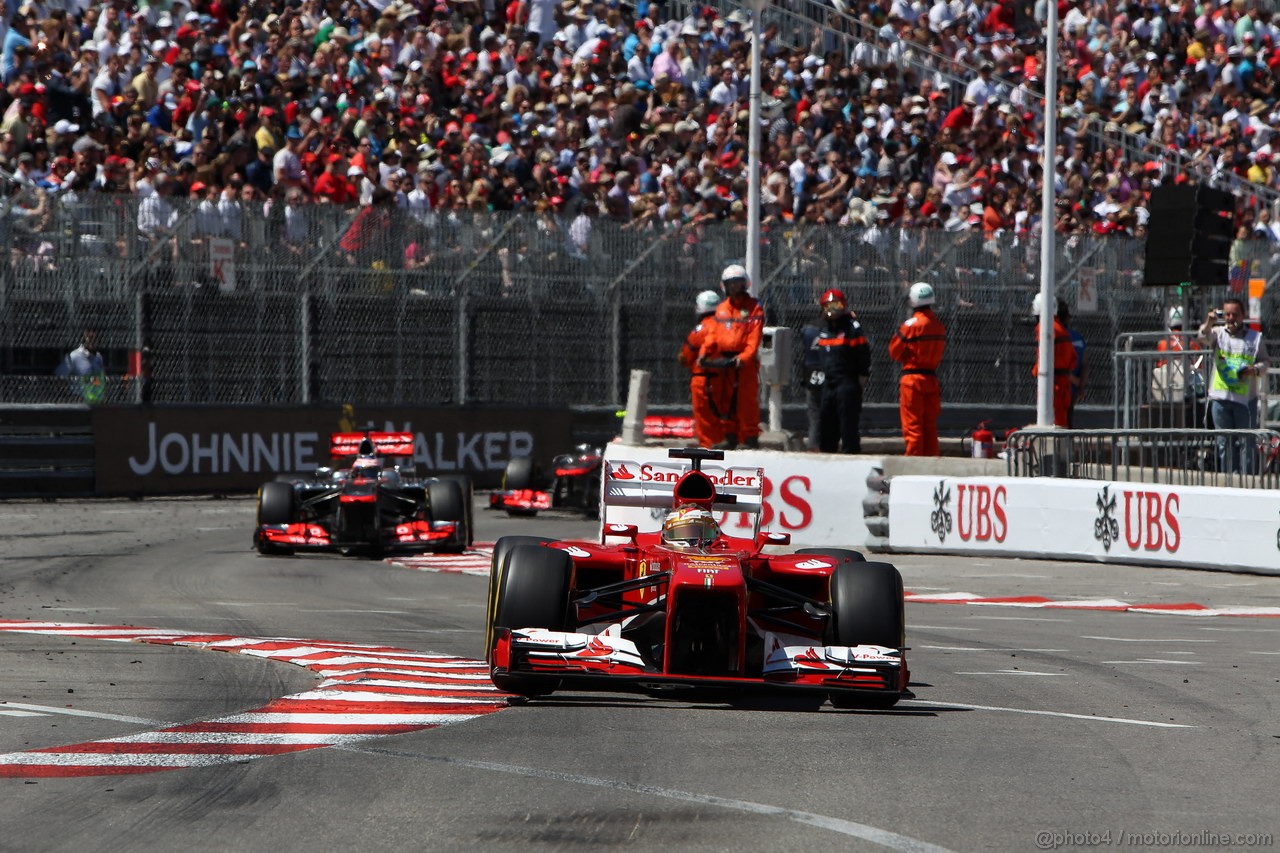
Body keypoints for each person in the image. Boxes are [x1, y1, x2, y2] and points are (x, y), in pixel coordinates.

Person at [1197, 298, 1269, 474]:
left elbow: (1265, 362)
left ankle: (1246, 481)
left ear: (1242, 315)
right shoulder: (1217, 333)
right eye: (1227, 314)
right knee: (1224, 443)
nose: (1230, 318)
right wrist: (1210, 321)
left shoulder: (1255, 338)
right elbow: (1202, 336)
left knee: (1247, 442)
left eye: (1234, 314)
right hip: (1220, 399)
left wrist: (1255, 369)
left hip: (1245, 400)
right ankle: (1230, 480)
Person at [698, 264, 764, 449]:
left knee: (746, 401)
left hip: (744, 363)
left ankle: (750, 437)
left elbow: (754, 338)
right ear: (724, 286)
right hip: (724, 361)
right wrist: (705, 353)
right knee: (726, 399)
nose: (735, 287)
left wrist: (743, 358)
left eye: (738, 283)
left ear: (745, 284)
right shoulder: (721, 309)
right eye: (731, 283)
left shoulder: (754, 308)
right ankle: (730, 436)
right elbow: (713, 335)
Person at [888, 282, 946, 456]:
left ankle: (912, 467)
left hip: (912, 380)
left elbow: (894, 351)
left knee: (913, 427)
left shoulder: (910, 326)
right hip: (931, 380)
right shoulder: (938, 325)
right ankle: (930, 465)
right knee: (929, 426)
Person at [811, 288, 871, 453]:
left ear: (843, 306)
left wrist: (862, 375)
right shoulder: (823, 329)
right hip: (828, 383)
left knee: (848, 427)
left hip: (847, 383)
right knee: (827, 427)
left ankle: (850, 458)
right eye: (828, 307)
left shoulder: (852, 328)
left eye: (836, 306)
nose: (832, 311)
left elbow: (863, 355)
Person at [680, 289, 729, 448]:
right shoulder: (728, 327)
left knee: (705, 422)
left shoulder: (700, 330)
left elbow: (686, 357)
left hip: (704, 381)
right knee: (723, 417)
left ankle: (708, 454)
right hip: (727, 379)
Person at [1031, 294, 1077, 428]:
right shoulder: (1061, 329)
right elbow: (1072, 358)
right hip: (1063, 385)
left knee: (1055, 427)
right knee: (1063, 425)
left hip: (1053, 386)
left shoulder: (1046, 328)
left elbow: (1042, 359)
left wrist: (1036, 371)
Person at [1058, 301, 1087, 428]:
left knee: (1059, 420)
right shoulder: (1078, 338)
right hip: (1072, 386)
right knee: (1067, 419)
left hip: (1060, 385)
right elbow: (1085, 364)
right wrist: (1080, 385)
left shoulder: (1055, 336)